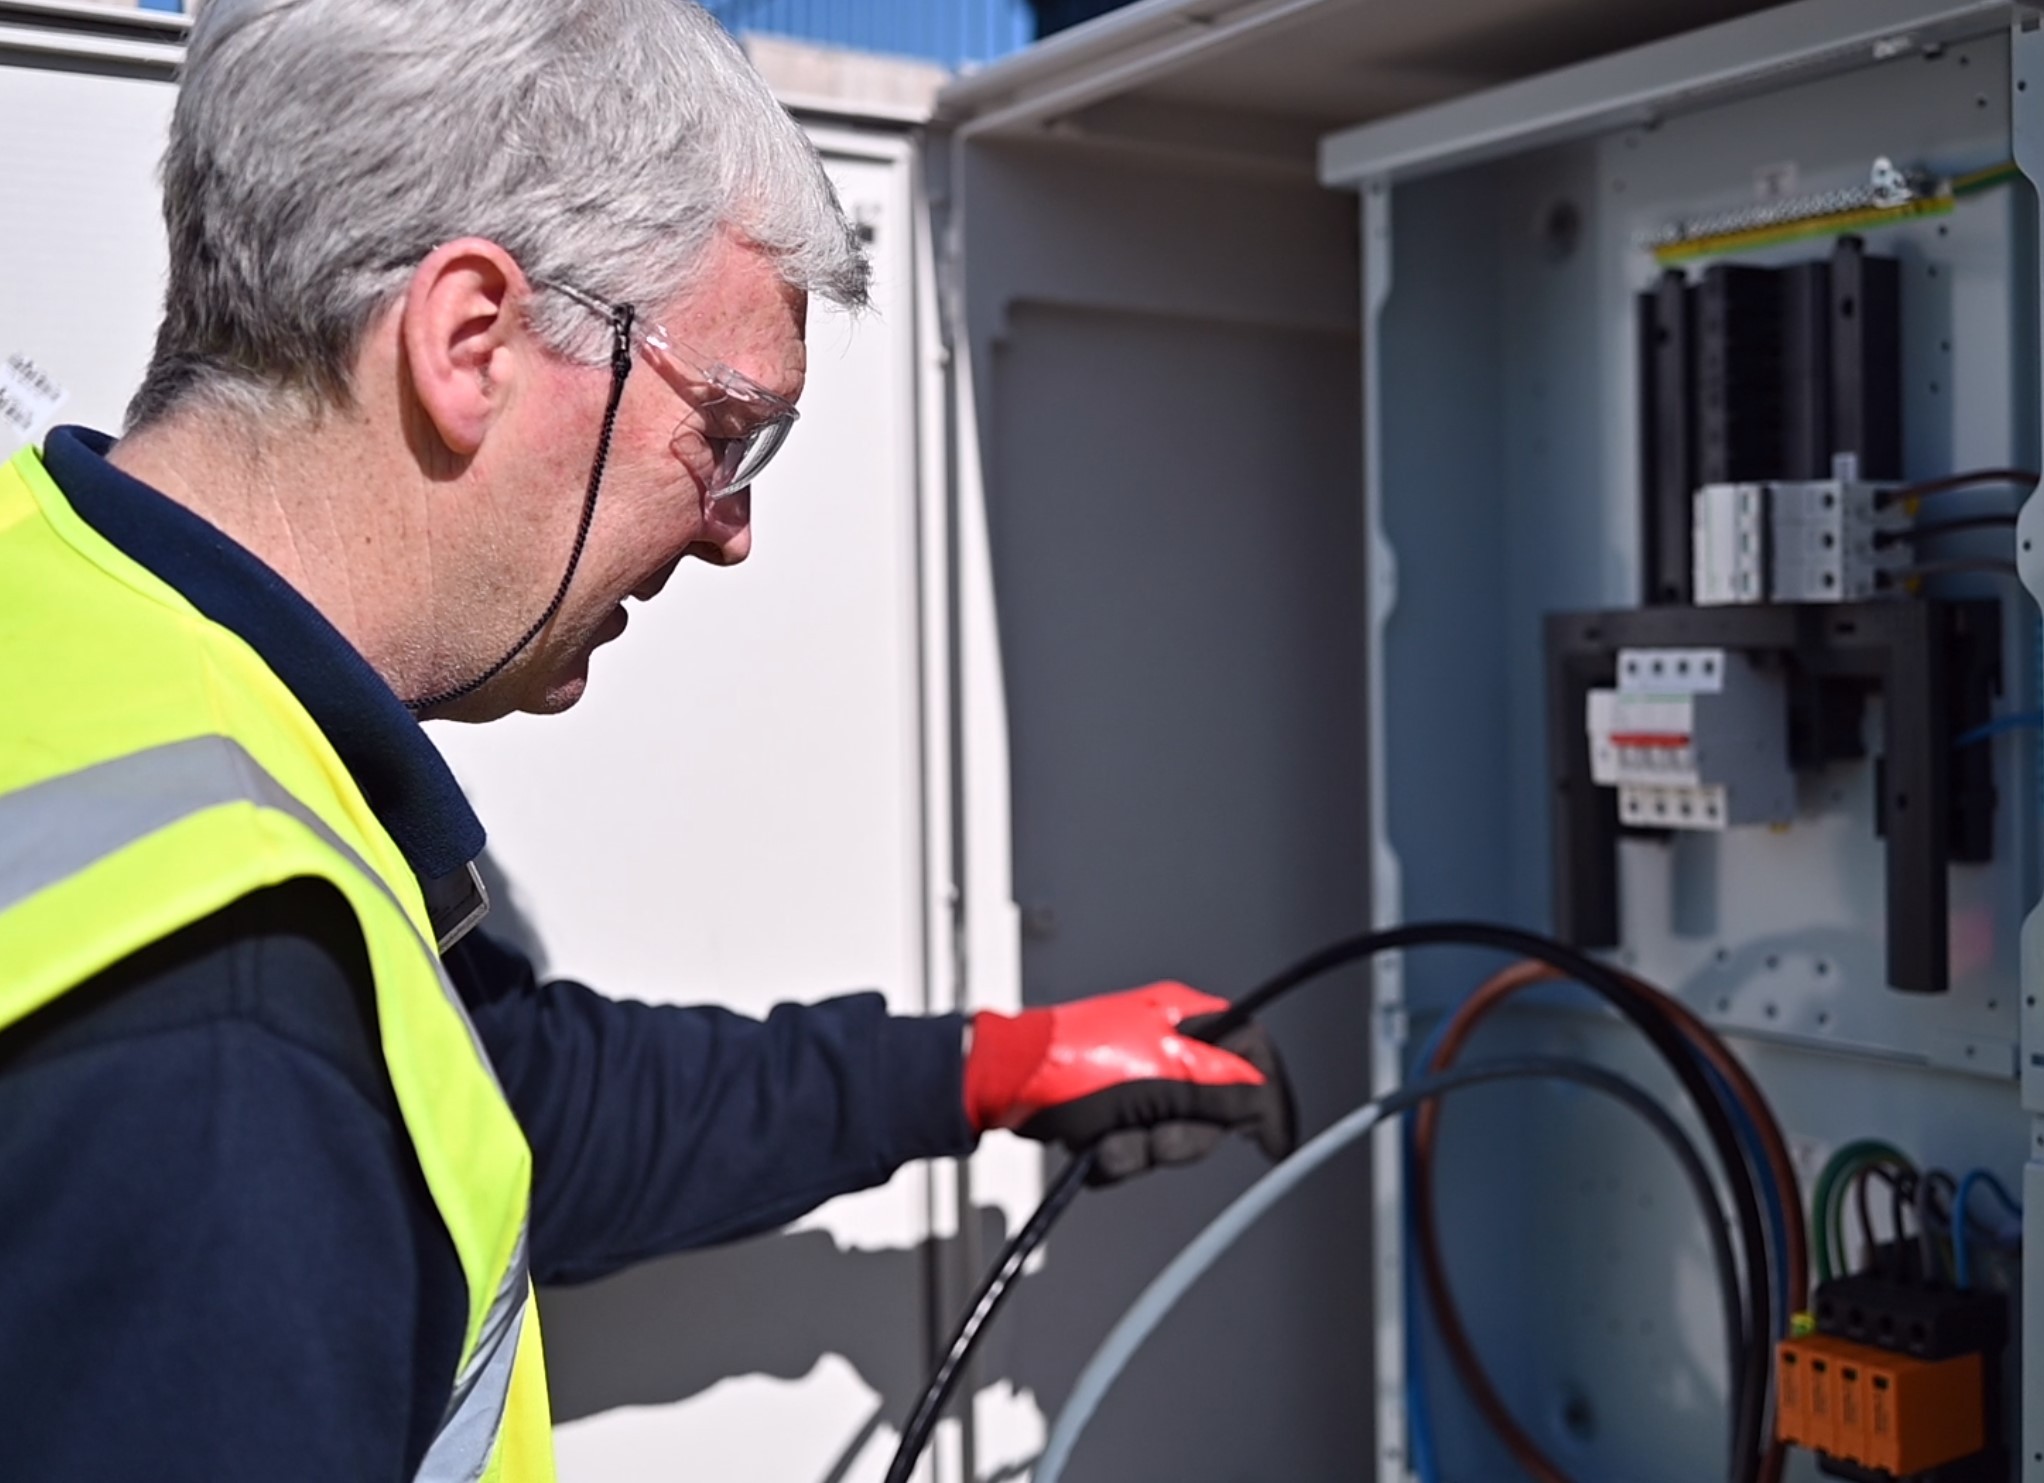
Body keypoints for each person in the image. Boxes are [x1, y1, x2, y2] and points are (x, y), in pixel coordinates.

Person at [0, 1, 1295, 1478]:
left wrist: (991, 1066)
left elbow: (510, 1101)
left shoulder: (68, 609)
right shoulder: (226, 1026)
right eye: (730, 429)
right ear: (469, 340)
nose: (732, 531)